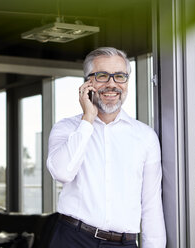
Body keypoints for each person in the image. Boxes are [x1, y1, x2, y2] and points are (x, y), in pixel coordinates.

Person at [47, 47, 166, 248]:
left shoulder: (145, 137)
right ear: (87, 83)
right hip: (72, 239)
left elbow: (151, 205)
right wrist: (88, 120)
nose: (112, 84)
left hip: (123, 243)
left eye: (120, 76)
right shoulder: (66, 129)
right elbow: (62, 173)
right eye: (102, 76)